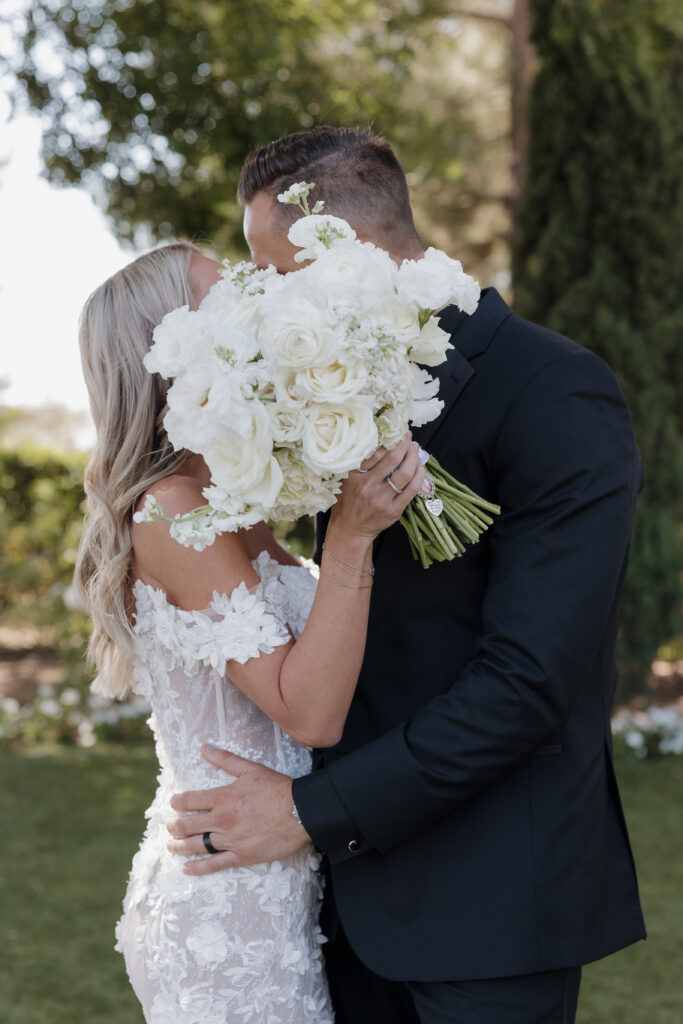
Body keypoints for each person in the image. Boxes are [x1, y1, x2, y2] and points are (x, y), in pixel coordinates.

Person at [166, 127, 647, 1024]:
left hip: (491, 906)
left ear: (337, 251)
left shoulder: (555, 390)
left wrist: (310, 813)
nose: (262, 300)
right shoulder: (323, 388)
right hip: (346, 910)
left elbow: (529, 682)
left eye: (274, 272)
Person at [74, 239, 427, 1024]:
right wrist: (351, 541)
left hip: (277, 874)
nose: (257, 305)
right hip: (226, 906)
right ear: (168, 350)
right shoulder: (172, 509)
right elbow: (307, 711)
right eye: (226, 299)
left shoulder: (230, 494)